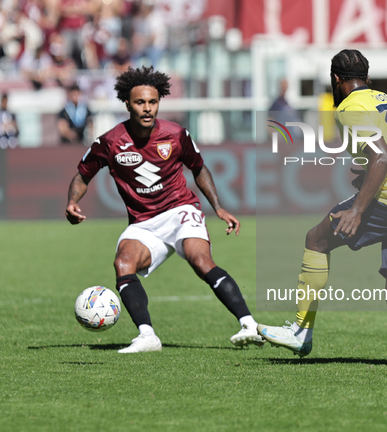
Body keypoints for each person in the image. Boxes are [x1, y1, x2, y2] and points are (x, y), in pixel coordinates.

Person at [258, 49, 387, 368]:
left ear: (335, 79)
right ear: (367, 77)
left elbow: (382, 157)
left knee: (316, 240)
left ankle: (301, 332)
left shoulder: (350, 107)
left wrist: (358, 208)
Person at [65, 66, 264, 353]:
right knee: (123, 263)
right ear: (127, 103)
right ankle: (147, 336)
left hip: (181, 211)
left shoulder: (176, 134)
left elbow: (199, 168)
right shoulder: (109, 142)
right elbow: (82, 176)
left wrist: (218, 208)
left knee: (200, 260)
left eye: (153, 102)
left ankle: (249, 324)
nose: (147, 109)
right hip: (144, 223)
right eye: (140, 102)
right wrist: (73, 201)